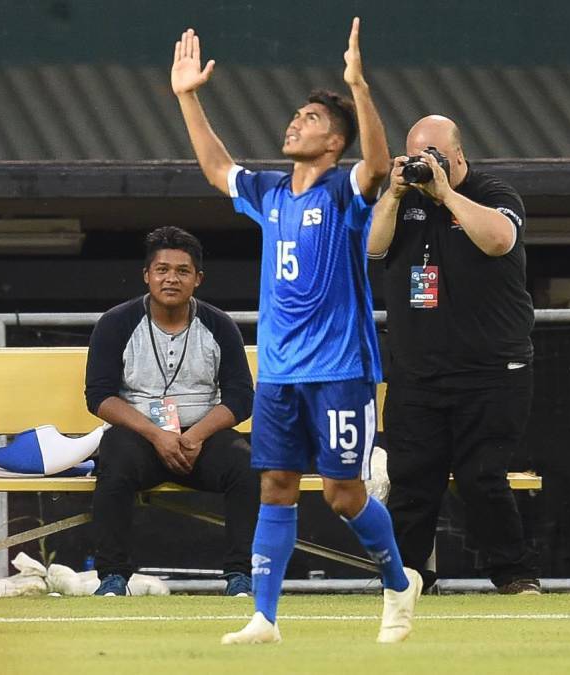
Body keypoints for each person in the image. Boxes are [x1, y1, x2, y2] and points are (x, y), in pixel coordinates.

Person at [171, 20, 421, 644]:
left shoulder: (344, 191)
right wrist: (187, 97)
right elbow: (218, 168)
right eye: (296, 115)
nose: (294, 123)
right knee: (276, 486)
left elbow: (380, 164)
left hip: (339, 368)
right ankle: (264, 616)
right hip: (280, 371)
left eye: (308, 117)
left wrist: (358, 86)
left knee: (342, 494)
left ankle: (397, 584)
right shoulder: (271, 192)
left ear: (335, 140)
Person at [366, 115, 540, 594]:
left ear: (458, 156)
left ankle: (515, 575)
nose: (425, 167)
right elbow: (372, 247)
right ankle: (405, 577)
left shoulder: (494, 193)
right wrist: (396, 193)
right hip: (417, 373)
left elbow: (500, 239)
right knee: (411, 479)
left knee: (482, 477)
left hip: (492, 372)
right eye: (417, 157)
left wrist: (445, 193)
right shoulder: (400, 201)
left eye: (435, 157)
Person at [85, 226, 258, 598]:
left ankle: (240, 576)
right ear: (146, 275)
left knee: (246, 466)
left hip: (202, 438)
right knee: (114, 462)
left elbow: (242, 397)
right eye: (162, 269)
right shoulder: (116, 323)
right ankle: (113, 577)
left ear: (198, 279)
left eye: (182, 271)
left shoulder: (219, 325)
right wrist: (156, 434)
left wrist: (194, 436)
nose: (171, 278)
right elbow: (99, 396)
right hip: (140, 436)